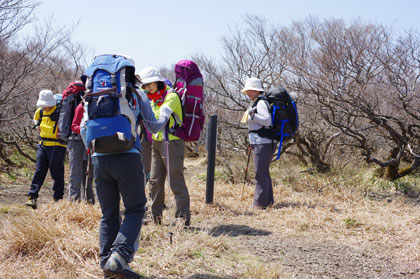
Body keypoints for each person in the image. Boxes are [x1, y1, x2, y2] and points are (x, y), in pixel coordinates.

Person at [80, 55, 173, 278]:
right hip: (128, 156)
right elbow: (153, 125)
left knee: (109, 213)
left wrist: (95, 152)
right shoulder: (134, 93)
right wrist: (167, 114)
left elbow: (84, 129)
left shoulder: (90, 97)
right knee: (135, 208)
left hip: (99, 158)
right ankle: (119, 256)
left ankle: (106, 264)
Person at [139, 67, 190, 227]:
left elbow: (162, 118)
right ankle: (156, 218)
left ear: (158, 81)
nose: (148, 88)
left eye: (150, 84)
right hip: (156, 142)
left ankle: (182, 218)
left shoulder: (171, 96)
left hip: (172, 142)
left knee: (175, 180)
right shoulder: (153, 98)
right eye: (145, 86)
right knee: (154, 180)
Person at [25, 90, 67, 209]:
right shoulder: (40, 111)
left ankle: (58, 198)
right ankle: (32, 197)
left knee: (57, 172)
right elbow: (36, 121)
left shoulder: (59, 112)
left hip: (57, 146)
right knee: (39, 170)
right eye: (43, 104)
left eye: (47, 104)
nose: (45, 107)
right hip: (43, 145)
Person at [241, 77, 276, 209]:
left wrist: (252, 116)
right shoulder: (257, 102)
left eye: (250, 90)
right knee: (264, 173)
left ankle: (260, 204)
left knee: (260, 174)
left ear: (256, 90)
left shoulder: (260, 103)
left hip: (263, 143)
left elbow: (267, 121)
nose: (248, 93)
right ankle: (268, 202)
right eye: (247, 91)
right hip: (261, 142)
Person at [70, 102, 94, 204]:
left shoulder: (97, 105)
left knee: (89, 172)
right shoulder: (81, 106)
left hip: (91, 140)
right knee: (76, 172)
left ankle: (89, 201)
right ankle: (74, 201)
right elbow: (73, 126)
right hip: (77, 141)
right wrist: (84, 129)